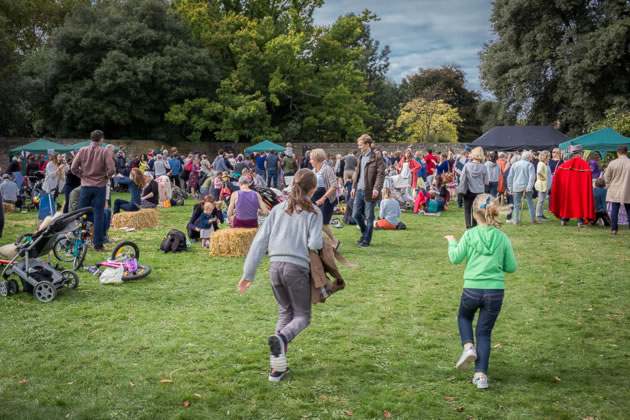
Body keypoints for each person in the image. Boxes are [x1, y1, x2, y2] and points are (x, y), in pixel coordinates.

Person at [238, 169, 323, 382]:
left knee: (285, 313)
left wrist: (248, 273)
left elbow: (259, 241)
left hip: (275, 267)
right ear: (313, 189)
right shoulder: (313, 211)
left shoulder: (277, 209)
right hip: (297, 268)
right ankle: (282, 338)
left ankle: (278, 368)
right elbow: (314, 244)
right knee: (302, 316)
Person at [445, 194, 517, 389]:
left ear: (474, 215)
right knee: (484, 333)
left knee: (464, 317)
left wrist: (452, 241)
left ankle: (468, 346)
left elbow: (455, 258)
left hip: (472, 289)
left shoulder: (469, 235)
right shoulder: (502, 237)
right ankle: (480, 376)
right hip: (495, 292)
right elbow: (511, 267)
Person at [71, 131, 114, 251]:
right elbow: (111, 170)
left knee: (81, 214)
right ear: (101, 139)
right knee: (99, 215)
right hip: (100, 186)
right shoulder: (104, 151)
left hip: (85, 186)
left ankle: (78, 242)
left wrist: (82, 175)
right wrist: (104, 176)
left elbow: (73, 167)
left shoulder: (83, 150)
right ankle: (98, 245)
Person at [351, 134, 385, 248]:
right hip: (359, 190)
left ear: (367, 144)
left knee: (369, 216)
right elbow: (357, 173)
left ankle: (366, 240)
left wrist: (376, 188)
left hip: (370, 191)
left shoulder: (376, 157)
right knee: (355, 214)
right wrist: (353, 187)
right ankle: (365, 233)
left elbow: (381, 174)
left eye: (361, 145)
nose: (359, 147)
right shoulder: (360, 157)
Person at [550, 145, 595, 227]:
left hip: (567, 190)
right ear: (581, 153)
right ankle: (579, 222)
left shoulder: (565, 164)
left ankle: (563, 221)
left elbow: (557, 174)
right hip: (580, 190)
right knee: (579, 204)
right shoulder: (584, 165)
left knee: (566, 203)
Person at [310, 149, 340, 249]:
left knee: (322, 223)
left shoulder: (327, 169)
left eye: (311, 159)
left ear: (317, 159)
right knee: (313, 221)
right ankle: (316, 242)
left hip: (326, 199)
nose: (310, 161)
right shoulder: (313, 170)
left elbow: (334, 185)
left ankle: (335, 241)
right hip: (315, 199)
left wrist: (323, 198)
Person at [458, 147, 489, 229]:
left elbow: (461, 178)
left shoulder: (467, 166)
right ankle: (474, 226)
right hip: (479, 192)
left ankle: (468, 226)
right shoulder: (483, 167)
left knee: (467, 210)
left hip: (468, 191)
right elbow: (486, 182)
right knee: (476, 210)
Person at [507, 151, 540, 226]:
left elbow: (510, 178)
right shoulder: (529, 165)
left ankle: (515, 220)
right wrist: (529, 187)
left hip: (517, 187)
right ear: (528, 157)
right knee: (530, 203)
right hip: (526, 187)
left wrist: (510, 189)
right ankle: (533, 220)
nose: (531, 159)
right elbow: (532, 177)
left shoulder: (514, 164)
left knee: (516, 205)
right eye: (531, 157)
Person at [604, 145, 630, 235]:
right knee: (629, 210)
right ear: (627, 152)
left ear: (617, 152)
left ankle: (614, 229)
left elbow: (606, 177)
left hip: (615, 189)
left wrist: (608, 184)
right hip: (627, 189)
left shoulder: (612, 163)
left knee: (615, 210)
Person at [38, 153, 66, 229]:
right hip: (47, 188)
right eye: (59, 157)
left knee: (51, 205)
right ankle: (44, 221)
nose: (60, 158)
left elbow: (62, 178)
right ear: (55, 157)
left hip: (54, 188)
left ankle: (50, 220)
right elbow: (52, 175)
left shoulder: (58, 165)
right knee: (47, 205)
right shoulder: (50, 164)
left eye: (61, 157)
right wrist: (59, 168)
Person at [534, 151, 550, 222]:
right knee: (541, 200)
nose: (549, 158)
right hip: (541, 184)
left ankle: (541, 214)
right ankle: (539, 215)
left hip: (543, 184)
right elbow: (539, 172)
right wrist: (543, 177)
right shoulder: (541, 164)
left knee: (542, 200)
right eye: (548, 156)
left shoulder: (543, 163)